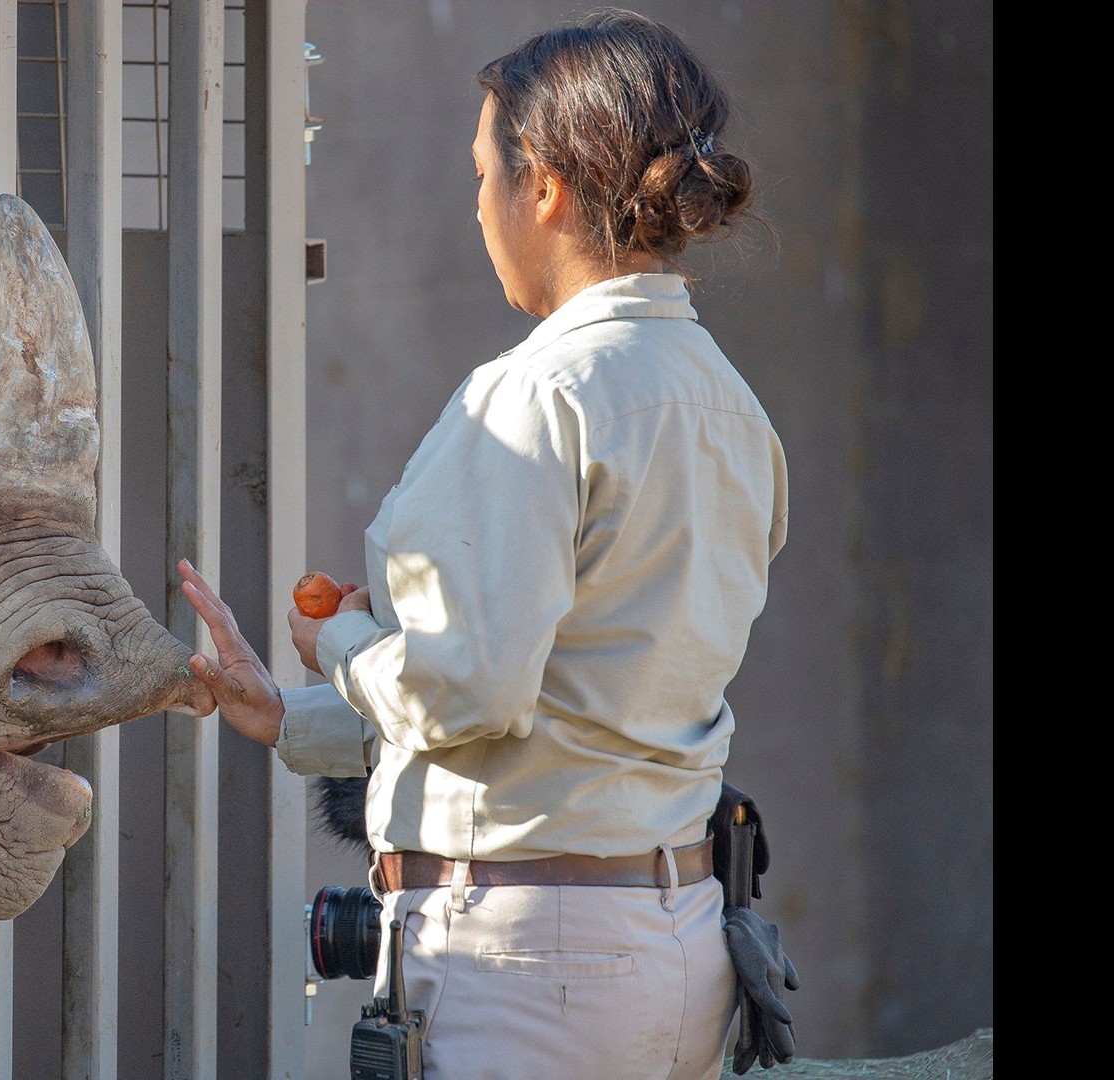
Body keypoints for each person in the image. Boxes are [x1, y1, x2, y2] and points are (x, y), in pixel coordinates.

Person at [178, 9, 792, 1078]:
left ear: (544, 185)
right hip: (681, 943)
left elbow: (473, 691)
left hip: (529, 969)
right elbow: (576, 708)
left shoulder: (534, 396)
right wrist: (293, 720)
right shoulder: (732, 406)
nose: (476, 207)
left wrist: (345, 644)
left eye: (482, 176)